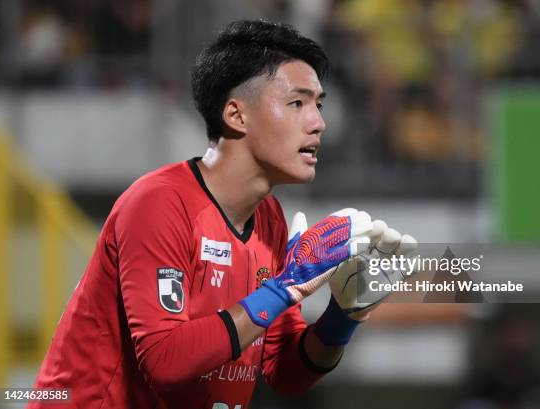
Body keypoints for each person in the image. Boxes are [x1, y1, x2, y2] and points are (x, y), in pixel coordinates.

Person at [30, 20, 413, 409]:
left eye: (319, 104)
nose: (318, 122)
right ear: (236, 115)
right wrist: (286, 287)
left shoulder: (270, 219)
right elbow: (164, 361)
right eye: (298, 103)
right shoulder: (158, 203)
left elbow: (285, 373)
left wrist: (341, 318)